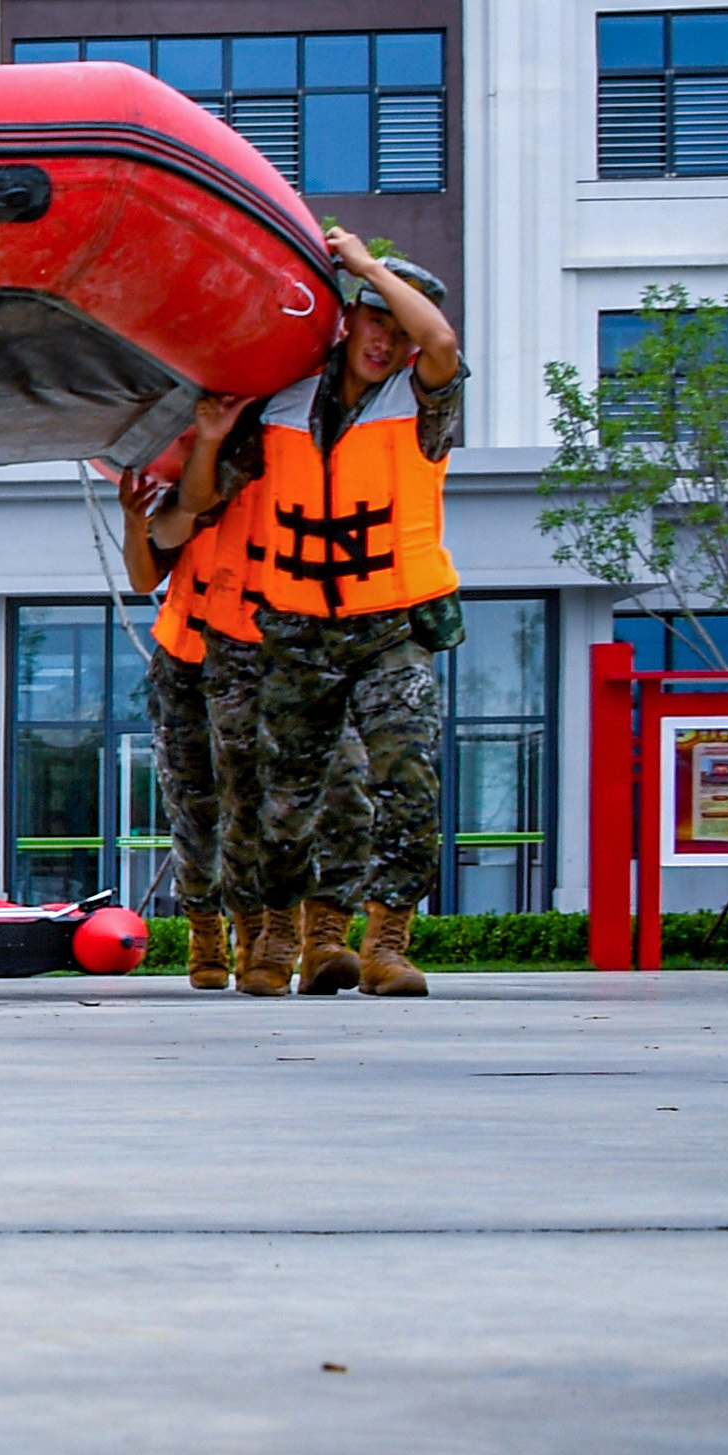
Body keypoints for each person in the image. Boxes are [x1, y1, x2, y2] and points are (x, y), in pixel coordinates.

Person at [216, 231, 468, 998]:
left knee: (409, 781)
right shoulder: (284, 400)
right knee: (285, 799)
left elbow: (441, 343)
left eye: (397, 329)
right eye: (372, 322)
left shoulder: (422, 402)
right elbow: (209, 477)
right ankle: (283, 935)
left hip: (392, 627)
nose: (385, 342)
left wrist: (365, 266)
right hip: (298, 629)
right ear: (348, 322)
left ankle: (386, 943)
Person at [121, 434, 251, 990]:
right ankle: (205, 933)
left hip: (253, 662)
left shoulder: (275, 496)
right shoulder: (190, 498)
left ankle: (258, 935)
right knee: (193, 808)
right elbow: (145, 577)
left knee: (254, 806)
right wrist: (134, 521)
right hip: (185, 664)